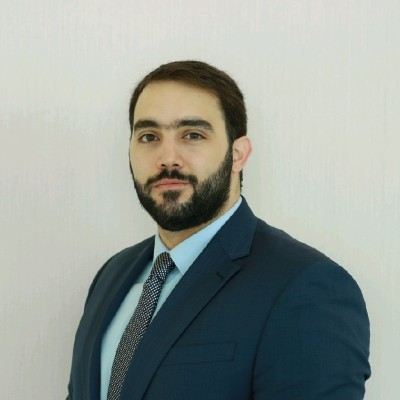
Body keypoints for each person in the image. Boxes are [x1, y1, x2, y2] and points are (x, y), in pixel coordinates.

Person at [67, 61, 370, 400]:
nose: (168, 158)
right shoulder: (112, 276)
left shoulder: (306, 288)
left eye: (192, 135)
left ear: (238, 154)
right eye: (149, 137)